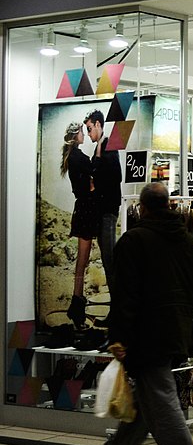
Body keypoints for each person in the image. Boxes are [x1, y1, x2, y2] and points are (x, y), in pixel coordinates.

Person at [102, 181, 193, 445]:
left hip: (146, 333)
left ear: (142, 208)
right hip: (178, 331)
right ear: (169, 204)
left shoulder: (133, 241)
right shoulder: (187, 241)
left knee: (159, 395)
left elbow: (125, 295)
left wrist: (118, 335)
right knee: (150, 395)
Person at [60, 121, 98, 327]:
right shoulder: (78, 157)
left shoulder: (73, 157)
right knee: (82, 262)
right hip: (87, 210)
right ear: (76, 135)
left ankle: (77, 305)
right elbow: (94, 170)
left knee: (82, 263)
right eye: (82, 132)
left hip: (84, 209)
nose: (84, 134)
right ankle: (77, 305)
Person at [85, 110, 122, 285]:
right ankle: (117, 307)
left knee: (110, 259)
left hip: (108, 210)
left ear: (98, 124)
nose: (88, 133)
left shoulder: (108, 146)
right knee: (108, 258)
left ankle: (118, 308)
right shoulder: (101, 146)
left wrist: (95, 176)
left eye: (90, 128)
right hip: (104, 210)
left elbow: (116, 175)